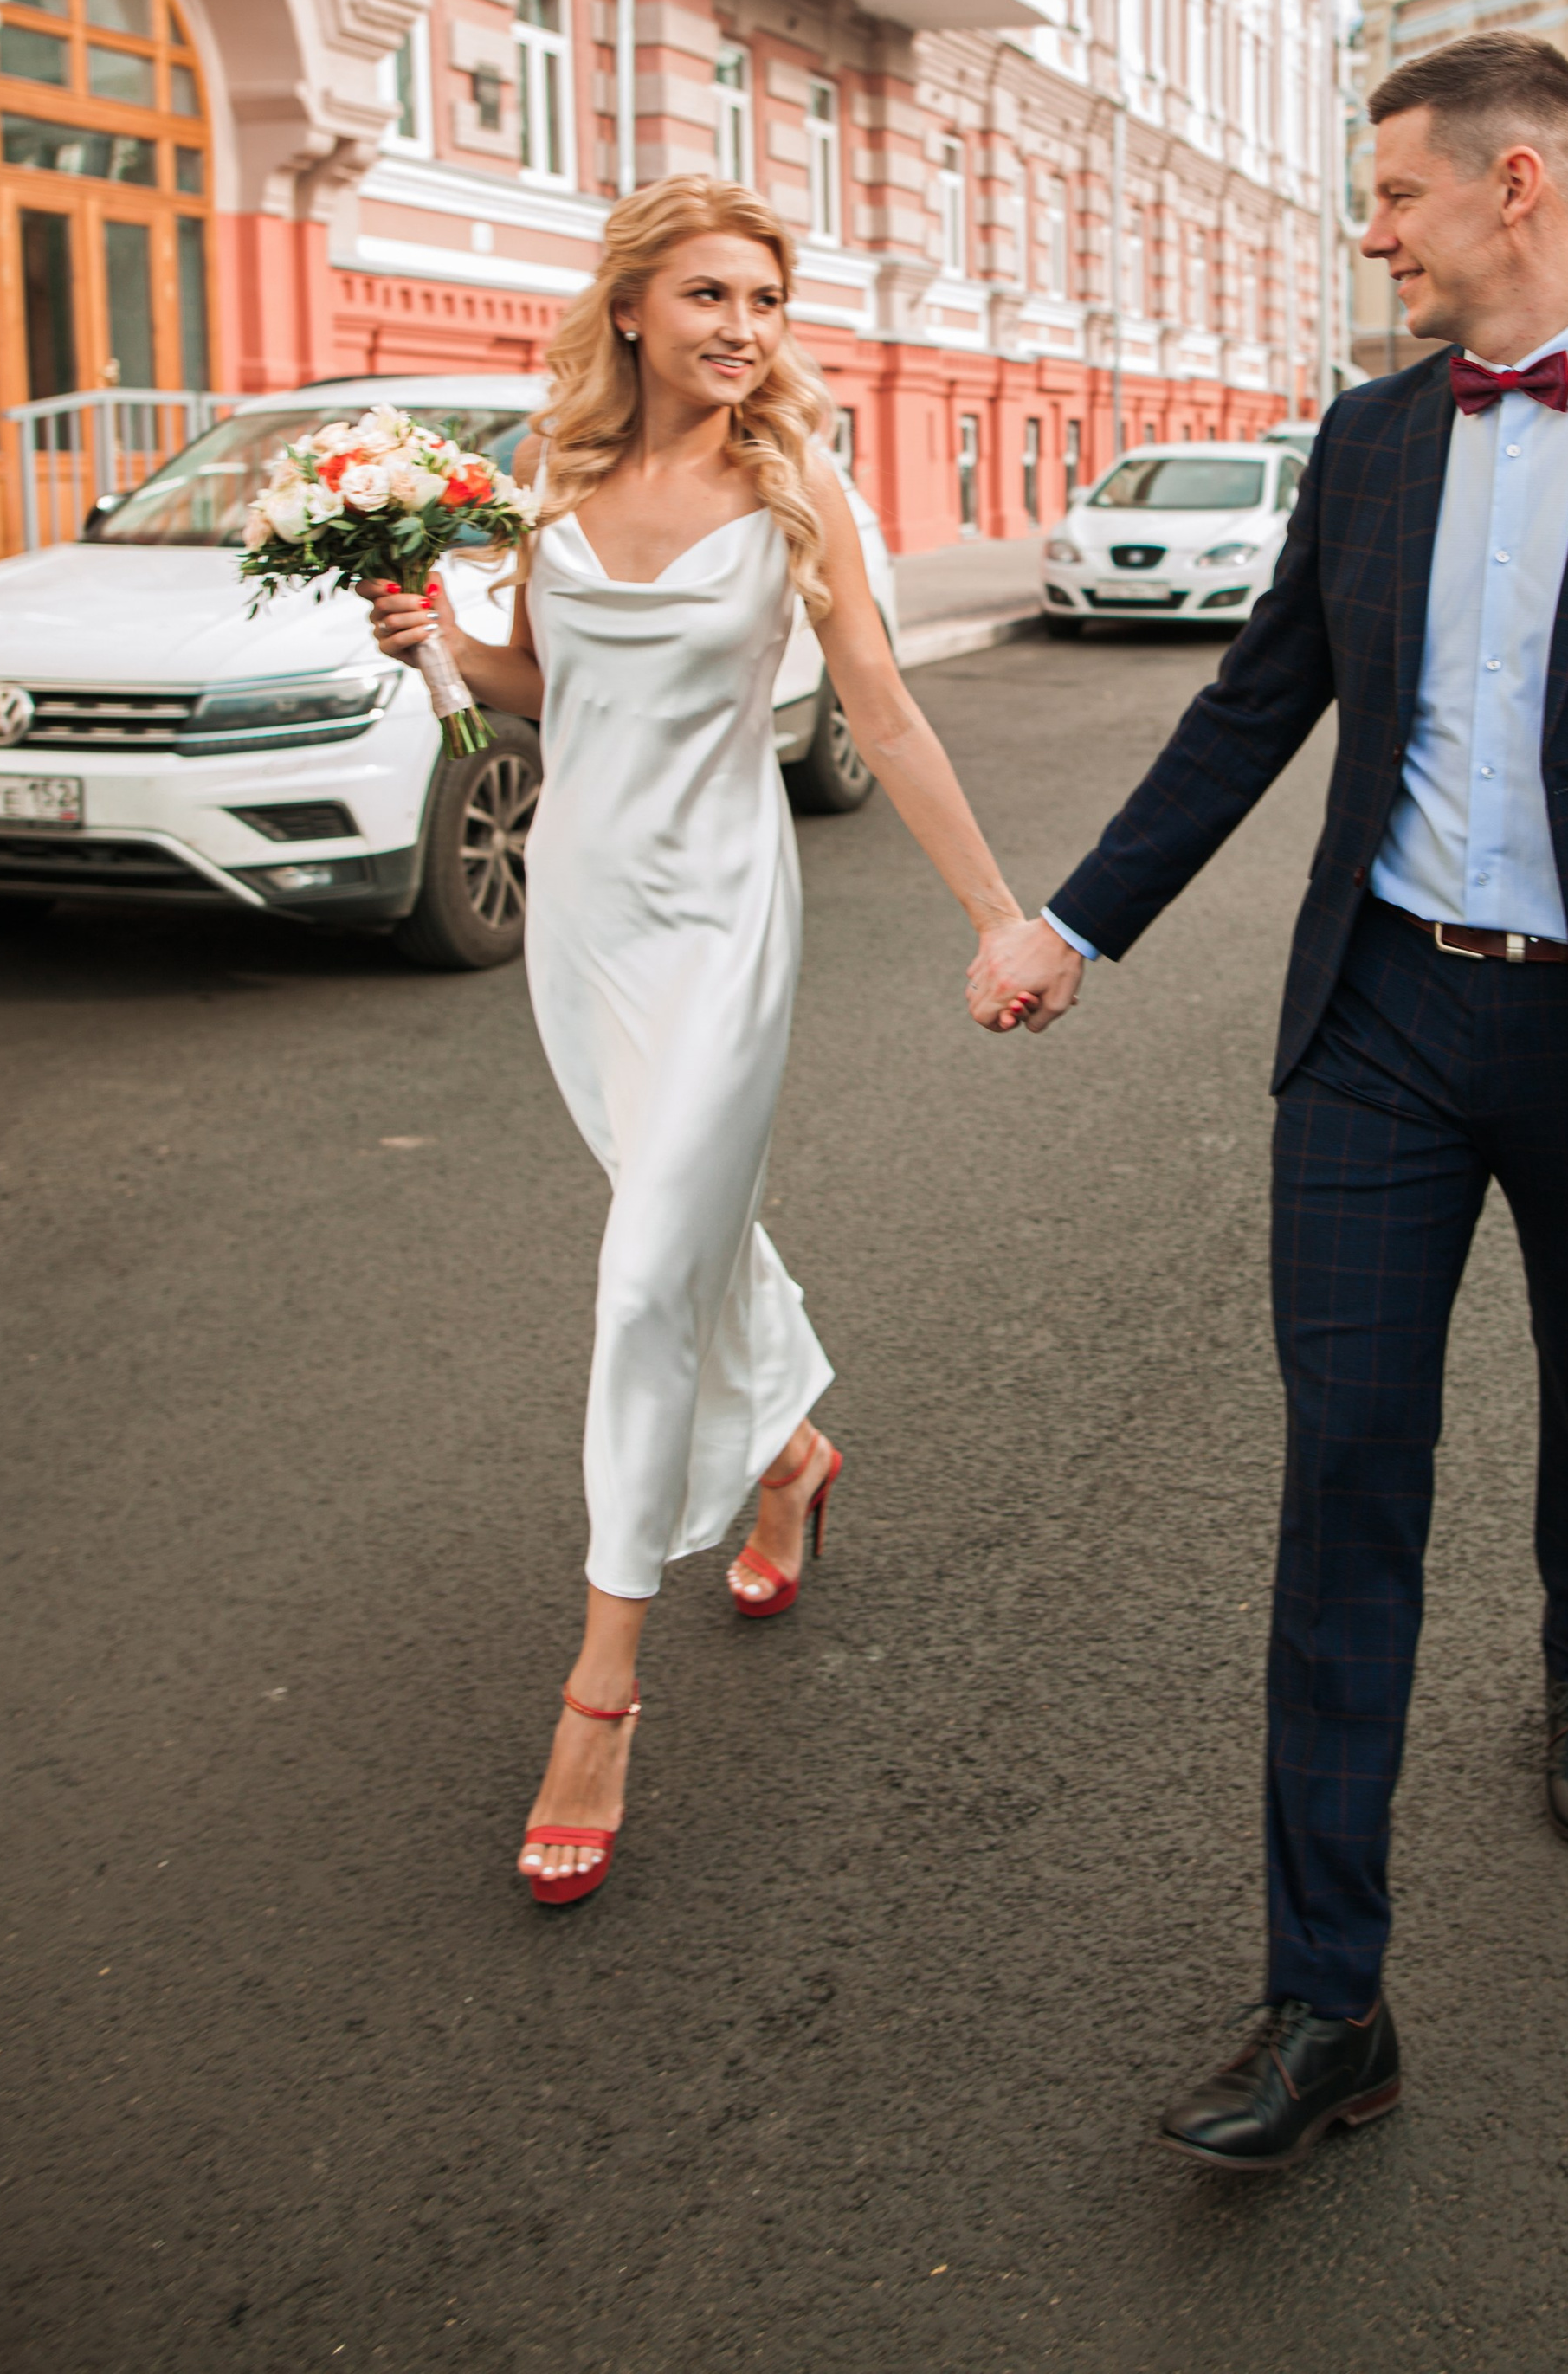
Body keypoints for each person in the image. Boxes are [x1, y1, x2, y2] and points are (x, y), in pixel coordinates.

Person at [969, 32, 1568, 2170]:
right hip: (1385, 1020)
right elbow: (1251, 712)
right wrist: (1069, 925)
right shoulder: (1371, 438)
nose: (1365, 233)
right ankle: (1329, 2002)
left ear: (1511, 186)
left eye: (1387, 196)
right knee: (1349, 1467)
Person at [371, 177, 1032, 1908]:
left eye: (765, 299)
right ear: (632, 314)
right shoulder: (561, 488)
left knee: (646, 1269)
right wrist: (437, 649)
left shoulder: (791, 485)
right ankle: (792, 1450)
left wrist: (997, 915)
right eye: (711, 297)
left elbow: (878, 712)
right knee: (689, 1229)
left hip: (725, 919)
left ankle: (599, 1689)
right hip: (582, 921)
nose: (744, 329)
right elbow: (537, 694)